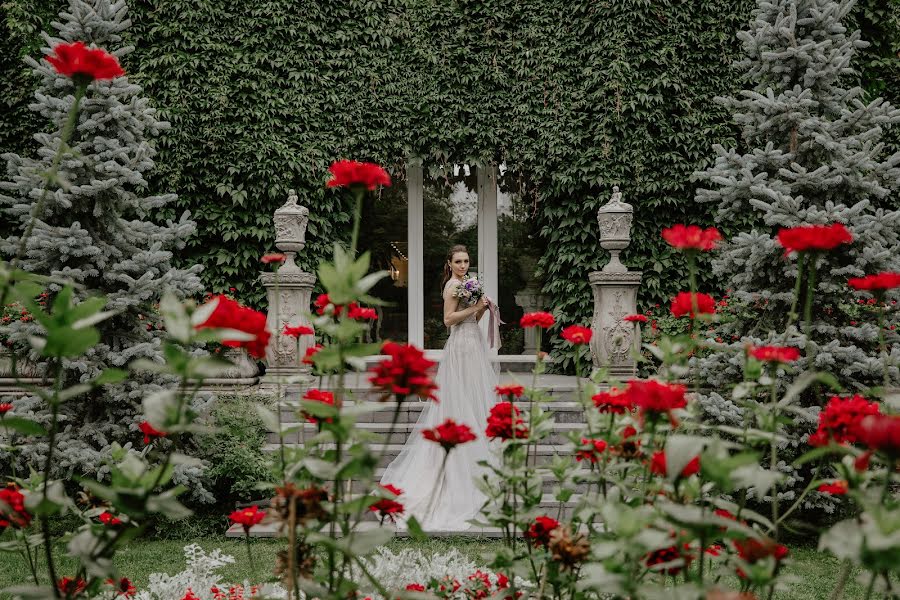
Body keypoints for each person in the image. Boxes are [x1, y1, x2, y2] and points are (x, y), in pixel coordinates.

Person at [380, 244, 498, 531]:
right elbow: (448, 321)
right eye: (458, 261)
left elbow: (473, 319)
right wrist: (473, 305)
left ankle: (477, 457)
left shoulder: (469, 285)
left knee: (474, 398)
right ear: (450, 263)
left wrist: (482, 307)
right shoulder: (452, 287)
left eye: (466, 261)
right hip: (459, 347)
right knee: (458, 402)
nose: (462, 265)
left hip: (475, 347)